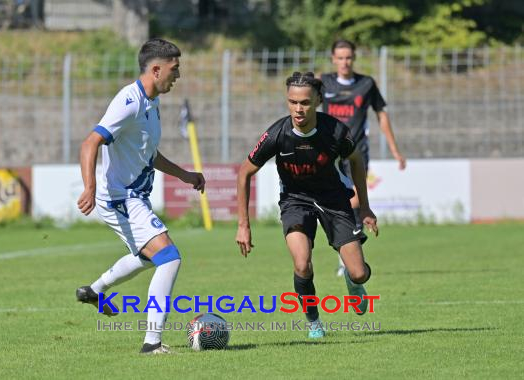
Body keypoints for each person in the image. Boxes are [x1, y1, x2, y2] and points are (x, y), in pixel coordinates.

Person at [75, 38, 205, 355]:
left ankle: (94, 290)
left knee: (149, 257)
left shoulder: (151, 101)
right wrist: (89, 187)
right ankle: (152, 343)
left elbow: (149, 153)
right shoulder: (129, 102)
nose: (178, 75)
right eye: (175, 70)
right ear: (156, 69)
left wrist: (184, 175)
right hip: (119, 198)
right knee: (169, 258)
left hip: (134, 197)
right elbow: (90, 143)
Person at [235, 71, 378, 339]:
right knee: (302, 265)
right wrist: (243, 225)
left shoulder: (335, 131)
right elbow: (244, 173)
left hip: (334, 199)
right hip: (295, 201)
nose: (298, 109)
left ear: (318, 101)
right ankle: (314, 323)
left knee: (359, 273)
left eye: (305, 102)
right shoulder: (277, 133)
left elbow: (357, 161)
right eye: (292, 102)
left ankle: (353, 282)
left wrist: (366, 208)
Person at [321, 39, 405, 276]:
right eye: (340, 57)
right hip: (330, 152)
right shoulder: (324, 82)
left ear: (354, 58)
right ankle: (346, 259)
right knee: (346, 203)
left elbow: (382, 115)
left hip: (357, 152)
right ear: (333, 59)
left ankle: (347, 256)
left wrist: (395, 151)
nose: (345, 62)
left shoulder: (366, 84)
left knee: (355, 201)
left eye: (348, 57)